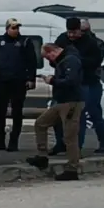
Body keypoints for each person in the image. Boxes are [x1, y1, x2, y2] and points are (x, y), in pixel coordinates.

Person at [51, 17, 104, 155]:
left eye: (75, 32)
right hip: (66, 83)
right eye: (69, 32)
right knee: (57, 114)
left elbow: (95, 62)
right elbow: (54, 56)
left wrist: (75, 61)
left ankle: (85, 145)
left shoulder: (92, 43)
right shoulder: (62, 39)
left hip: (87, 82)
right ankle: (61, 144)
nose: (72, 35)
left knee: (88, 115)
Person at [27, 43, 84, 181]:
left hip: (71, 102)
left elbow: (71, 81)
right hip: (61, 101)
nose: (49, 61)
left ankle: (72, 169)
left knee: (70, 136)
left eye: (48, 57)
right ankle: (42, 156)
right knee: (41, 123)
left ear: (52, 52)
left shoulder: (71, 60)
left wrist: (52, 80)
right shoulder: (64, 61)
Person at [0, 18, 37, 151]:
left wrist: (31, 78)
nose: (16, 30)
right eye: (13, 28)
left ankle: (13, 141)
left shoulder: (25, 42)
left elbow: (31, 61)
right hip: (2, 81)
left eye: (17, 27)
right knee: (0, 112)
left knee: (17, 112)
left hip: (18, 81)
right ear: (7, 28)